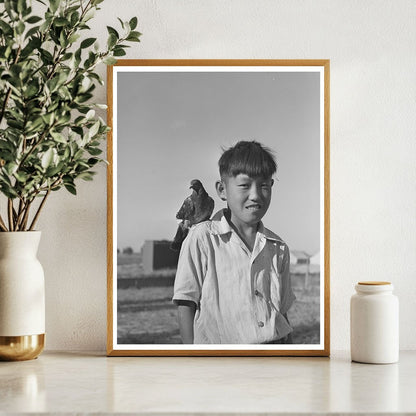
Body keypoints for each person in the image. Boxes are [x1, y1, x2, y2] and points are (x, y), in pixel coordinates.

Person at [172, 140, 295, 344]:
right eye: (244, 185)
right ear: (222, 190)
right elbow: (186, 302)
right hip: (220, 362)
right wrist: (190, 358)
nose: (255, 195)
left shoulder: (278, 247)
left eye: (264, 185)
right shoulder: (202, 238)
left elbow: (282, 313)